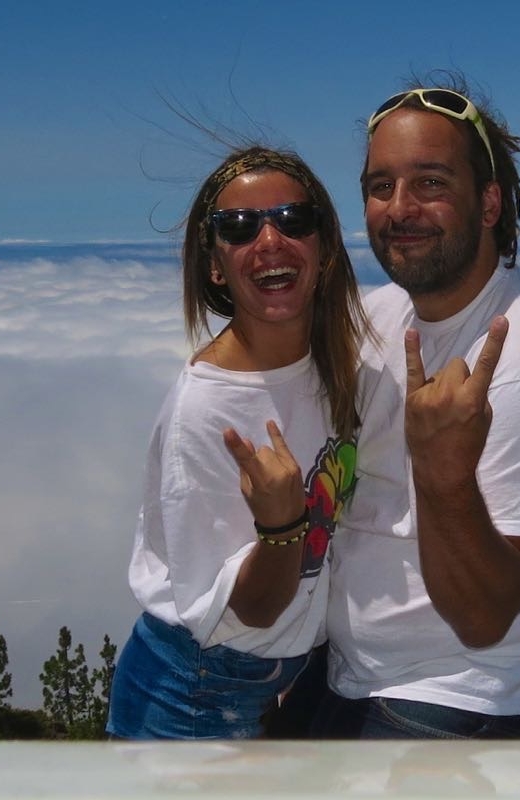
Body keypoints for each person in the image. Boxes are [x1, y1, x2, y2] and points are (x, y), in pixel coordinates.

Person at [305, 78, 520, 739]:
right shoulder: (385, 314)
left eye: (431, 183)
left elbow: (484, 617)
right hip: (351, 678)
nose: (399, 207)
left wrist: (442, 471)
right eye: (380, 185)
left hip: (451, 704)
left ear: (489, 203)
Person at [106, 145, 368, 739]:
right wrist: (282, 526)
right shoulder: (208, 410)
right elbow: (254, 609)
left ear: (324, 247)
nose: (270, 240)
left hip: (274, 678)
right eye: (240, 227)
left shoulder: (332, 363)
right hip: (190, 695)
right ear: (216, 267)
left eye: (293, 219)